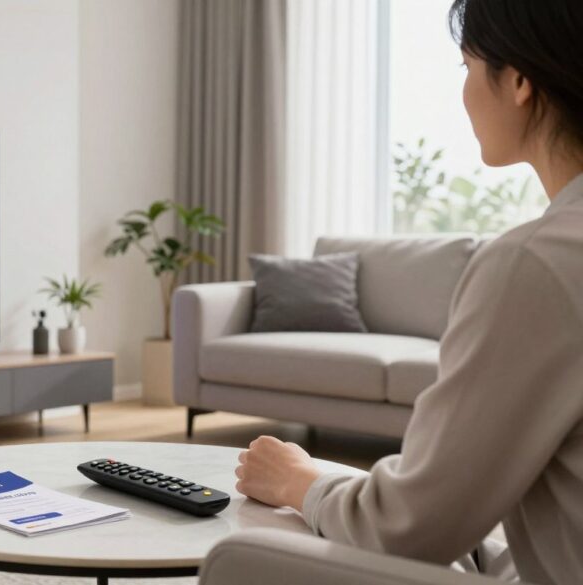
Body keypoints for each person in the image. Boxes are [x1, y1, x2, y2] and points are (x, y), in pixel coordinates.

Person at [233, 1, 583, 583]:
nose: (464, 94)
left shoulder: (537, 262)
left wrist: (299, 479)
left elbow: (408, 528)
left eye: (466, 67)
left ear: (519, 81)